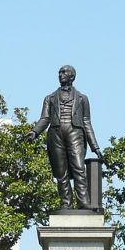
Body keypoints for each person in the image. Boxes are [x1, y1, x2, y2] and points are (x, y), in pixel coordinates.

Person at [26, 65, 103, 209]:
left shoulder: (82, 98)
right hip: (55, 133)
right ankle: (66, 203)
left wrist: (95, 147)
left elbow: (86, 122)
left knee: (79, 167)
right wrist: (35, 132)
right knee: (61, 171)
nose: (60, 75)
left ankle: (83, 202)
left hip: (75, 132)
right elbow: (45, 118)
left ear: (72, 76)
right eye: (59, 72)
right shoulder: (49, 98)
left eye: (64, 72)